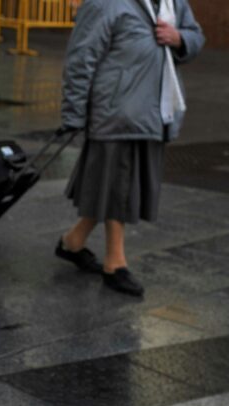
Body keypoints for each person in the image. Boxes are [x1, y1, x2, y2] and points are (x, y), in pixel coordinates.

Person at [54, 0, 204, 296]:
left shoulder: (172, 2)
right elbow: (81, 58)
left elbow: (196, 36)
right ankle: (115, 263)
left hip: (153, 111)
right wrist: (73, 114)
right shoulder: (105, 3)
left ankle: (73, 243)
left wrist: (180, 38)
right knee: (119, 184)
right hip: (116, 113)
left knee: (112, 184)